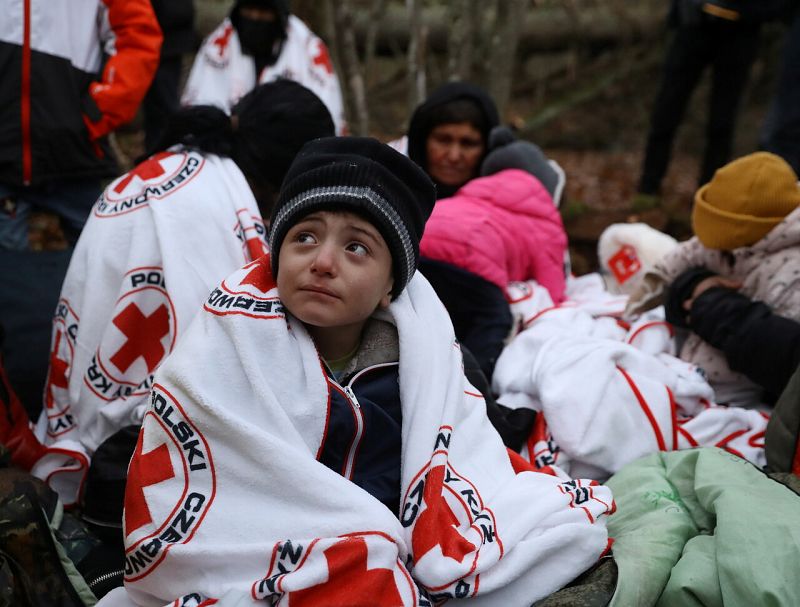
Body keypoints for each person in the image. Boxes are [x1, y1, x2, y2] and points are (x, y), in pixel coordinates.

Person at [101, 137, 614, 606]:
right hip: (277, 548)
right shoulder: (224, 348)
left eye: (356, 247)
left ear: (392, 284)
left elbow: (460, 457)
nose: (323, 262)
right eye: (304, 238)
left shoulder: (423, 364)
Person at [28, 81, 335, 509]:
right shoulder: (206, 208)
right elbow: (219, 346)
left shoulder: (176, 166)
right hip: (128, 434)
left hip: (82, 399)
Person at [627, 151, 800, 406]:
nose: (709, 243)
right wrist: (655, 284)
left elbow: (779, 356)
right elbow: (691, 252)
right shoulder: (726, 243)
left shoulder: (790, 271)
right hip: (694, 361)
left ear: (745, 232)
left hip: (739, 388)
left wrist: (714, 308)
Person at [0, 0, 162, 249]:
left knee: (97, 264)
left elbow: (136, 34)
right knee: (9, 276)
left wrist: (100, 111)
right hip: (6, 153)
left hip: (76, 149)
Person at [419, 126, 568, 380]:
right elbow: (551, 286)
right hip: (470, 257)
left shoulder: (471, 192)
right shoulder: (544, 218)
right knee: (492, 320)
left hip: (420, 245)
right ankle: (471, 390)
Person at [634, 0, 787, 208]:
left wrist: (750, 13)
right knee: (666, 109)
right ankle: (647, 188)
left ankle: (709, 195)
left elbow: (778, 8)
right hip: (694, 27)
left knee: (722, 122)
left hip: (740, 35)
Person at [181, 0, 346, 134]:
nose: (255, 17)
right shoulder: (217, 47)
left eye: (263, 12)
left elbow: (325, 117)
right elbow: (197, 108)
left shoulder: (308, 50)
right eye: (249, 10)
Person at [404, 81, 500, 199]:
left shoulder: (509, 207)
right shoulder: (391, 202)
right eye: (443, 140)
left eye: (468, 144)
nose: (454, 157)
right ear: (422, 142)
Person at [142, 0, 196, 152]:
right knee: (156, 112)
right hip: (156, 44)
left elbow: (179, 12)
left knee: (165, 109)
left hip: (168, 45)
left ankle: (168, 152)